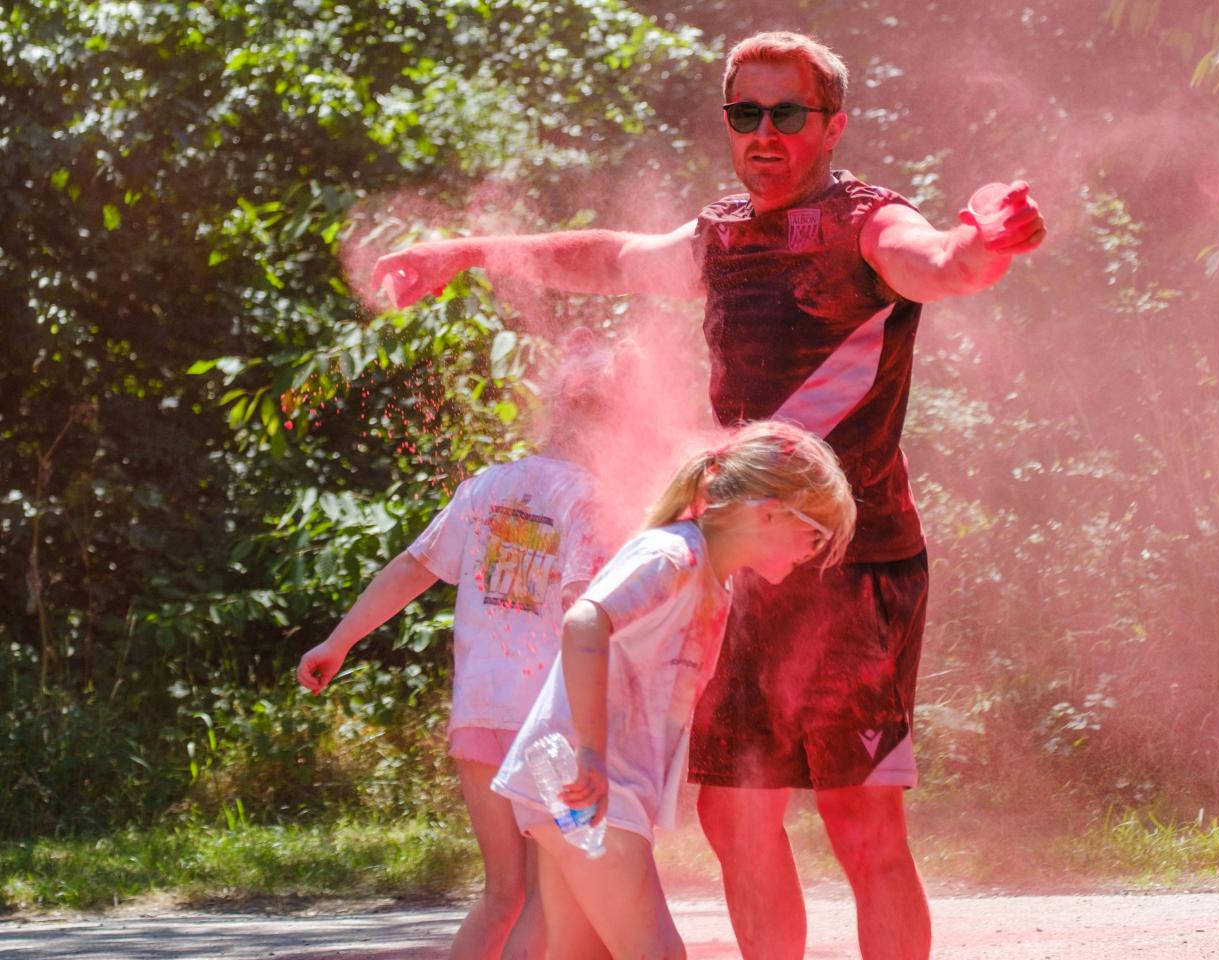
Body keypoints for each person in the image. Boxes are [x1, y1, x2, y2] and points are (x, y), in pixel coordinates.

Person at [371, 30, 1046, 960]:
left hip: (858, 570)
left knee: (863, 826)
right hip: (735, 568)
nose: (764, 133)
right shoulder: (721, 237)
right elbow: (606, 257)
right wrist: (467, 251)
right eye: (745, 114)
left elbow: (938, 263)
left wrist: (984, 244)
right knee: (735, 820)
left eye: (787, 114)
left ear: (833, 125)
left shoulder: (869, 223)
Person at [296, 333, 621, 960]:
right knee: (557, 898)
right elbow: (586, 614)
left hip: (477, 718)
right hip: (549, 724)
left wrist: (339, 642)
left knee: (503, 892)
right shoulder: (590, 499)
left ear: (553, 410)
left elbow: (412, 568)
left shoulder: (487, 487)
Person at [491, 419, 857, 960]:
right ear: (771, 511)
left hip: (588, 789)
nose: (818, 550)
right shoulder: (675, 556)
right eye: (817, 532)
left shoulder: (713, 579)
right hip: (587, 786)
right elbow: (584, 622)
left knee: (580, 953)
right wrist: (590, 752)